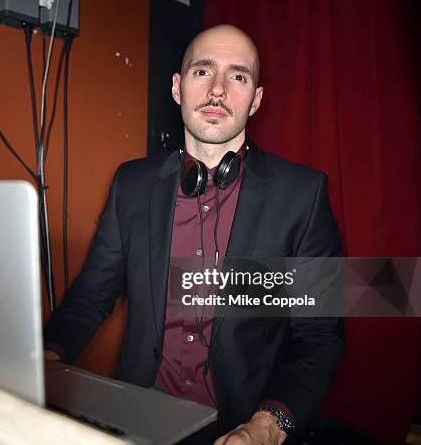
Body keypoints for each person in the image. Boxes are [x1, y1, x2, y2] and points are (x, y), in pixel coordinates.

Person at [44, 24, 343, 445]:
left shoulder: (302, 196)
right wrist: (44, 355)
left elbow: (319, 335)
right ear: (177, 87)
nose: (218, 90)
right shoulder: (131, 184)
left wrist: (267, 426)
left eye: (238, 76)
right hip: (138, 420)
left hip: (241, 426)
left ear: (255, 100)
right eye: (203, 71)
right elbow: (92, 293)